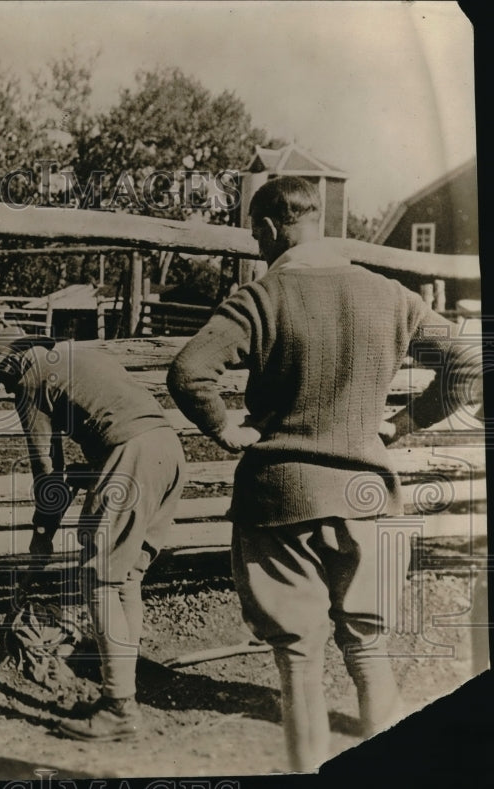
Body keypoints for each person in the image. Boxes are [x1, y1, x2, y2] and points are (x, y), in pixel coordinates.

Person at [166, 176, 482, 771]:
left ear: (265, 229)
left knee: (298, 657)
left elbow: (189, 373)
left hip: (282, 498)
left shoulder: (262, 298)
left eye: (257, 236)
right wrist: (401, 425)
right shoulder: (391, 295)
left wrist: (225, 429)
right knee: (370, 644)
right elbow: (470, 368)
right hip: (371, 496)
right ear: (319, 221)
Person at [0, 329, 186, 741]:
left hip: (132, 454)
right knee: (126, 579)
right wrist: (82, 476)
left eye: (1, 380)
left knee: (100, 581)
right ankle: (124, 689)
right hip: (168, 452)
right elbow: (112, 422)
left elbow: (45, 472)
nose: (6, 389)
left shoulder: (29, 376)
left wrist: (43, 533)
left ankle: (117, 710)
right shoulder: (79, 355)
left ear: (11, 364)